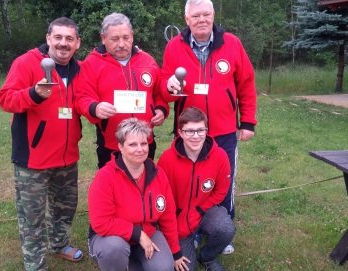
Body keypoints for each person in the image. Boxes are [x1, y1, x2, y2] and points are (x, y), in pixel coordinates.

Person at [160, 0, 257, 254]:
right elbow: (164, 84)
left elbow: (246, 83)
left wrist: (247, 121)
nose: (201, 19)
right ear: (186, 18)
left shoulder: (232, 43)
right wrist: (167, 87)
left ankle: (221, 231)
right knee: (186, 184)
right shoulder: (174, 46)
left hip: (223, 132)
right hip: (189, 133)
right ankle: (188, 230)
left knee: (223, 182)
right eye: (195, 15)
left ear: (213, 15)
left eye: (206, 14)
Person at [0, 17, 83, 270]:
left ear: (77, 43)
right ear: (48, 39)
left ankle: (59, 244)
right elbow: (5, 99)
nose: (63, 44)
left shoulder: (80, 68)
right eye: (58, 37)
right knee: (32, 217)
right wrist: (33, 94)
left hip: (67, 157)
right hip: (33, 159)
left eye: (69, 39)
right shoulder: (26, 63)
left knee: (65, 208)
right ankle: (35, 263)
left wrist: (133, 50)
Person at [88, 117, 190, 271]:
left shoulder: (158, 174)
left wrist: (175, 253)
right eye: (132, 144)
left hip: (148, 232)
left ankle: (133, 263)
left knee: (163, 267)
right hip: (111, 237)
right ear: (120, 147)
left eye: (143, 143)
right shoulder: (105, 176)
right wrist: (139, 234)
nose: (140, 149)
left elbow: (167, 216)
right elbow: (101, 223)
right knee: (114, 250)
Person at [75, 12, 169, 169]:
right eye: (114, 39)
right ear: (103, 38)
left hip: (145, 142)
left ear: (132, 36)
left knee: (145, 186)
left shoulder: (147, 60)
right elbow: (82, 97)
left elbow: (159, 92)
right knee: (114, 189)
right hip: (111, 144)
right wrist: (95, 108)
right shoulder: (91, 64)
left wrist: (161, 110)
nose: (121, 44)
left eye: (126, 38)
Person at [157, 107, 236, 271]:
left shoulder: (220, 156)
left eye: (200, 130)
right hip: (178, 222)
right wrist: (174, 221)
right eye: (189, 131)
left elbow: (221, 191)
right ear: (180, 132)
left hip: (204, 212)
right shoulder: (166, 159)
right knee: (186, 268)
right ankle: (187, 246)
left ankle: (207, 257)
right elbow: (161, 197)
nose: (195, 136)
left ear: (206, 130)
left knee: (226, 228)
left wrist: (199, 210)